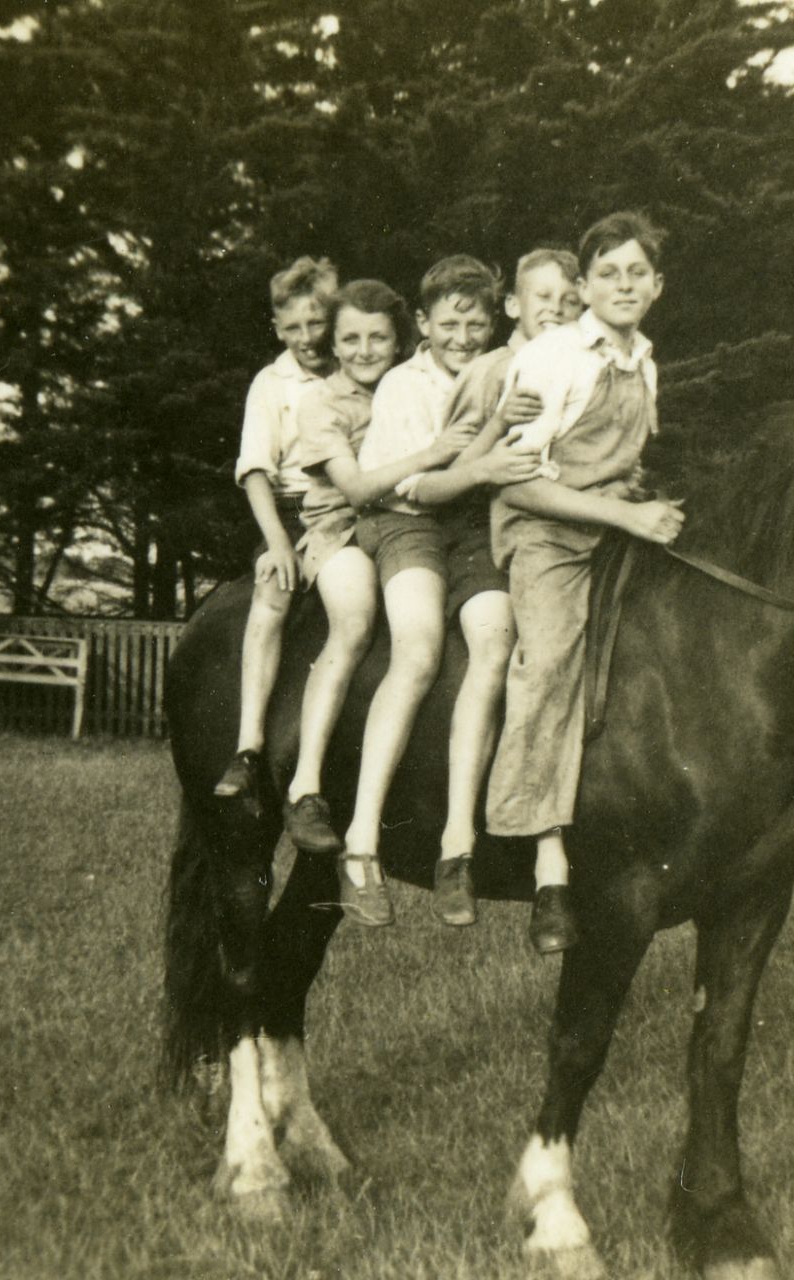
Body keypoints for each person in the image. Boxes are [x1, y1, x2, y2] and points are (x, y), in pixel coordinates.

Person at [486, 213, 686, 954]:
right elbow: (517, 483)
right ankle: (542, 865)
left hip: (614, 520)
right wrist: (623, 517)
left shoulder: (647, 361)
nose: (624, 285)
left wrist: (646, 509)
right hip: (548, 533)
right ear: (584, 286)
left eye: (637, 273)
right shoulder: (553, 356)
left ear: (657, 287)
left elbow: (627, 466)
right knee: (549, 662)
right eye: (608, 273)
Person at [312, 255, 505, 926]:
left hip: (474, 529)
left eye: (475, 323)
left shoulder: (504, 369)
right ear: (423, 324)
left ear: (492, 322)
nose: (463, 336)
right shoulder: (401, 383)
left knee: (494, 643)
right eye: (449, 323)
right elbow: (405, 486)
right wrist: (474, 453)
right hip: (405, 523)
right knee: (418, 648)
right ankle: (362, 843)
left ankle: (457, 844)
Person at [407, 247, 584, 927]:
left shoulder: (582, 363)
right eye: (546, 301)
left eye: (571, 303)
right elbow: (438, 480)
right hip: (483, 536)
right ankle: (461, 838)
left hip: (563, 528)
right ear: (513, 306)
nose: (560, 313)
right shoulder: (496, 370)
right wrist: (493, 459)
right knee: (503, 646)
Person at [276, 278, 467, 881]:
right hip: (341, 526)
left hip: (403, 522)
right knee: (354, 621)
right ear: (332, 343)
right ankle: (307, 784)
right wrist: (434, 453)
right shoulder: (320, 404)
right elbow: (355, 488)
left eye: (378, 338)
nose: (364, 350)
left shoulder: (408, 384)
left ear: (399, 338)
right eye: (350, 339)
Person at [212, 256, 338, 803]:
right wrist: (281, 544)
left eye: (316, 323)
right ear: (277, 327)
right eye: (293, 327)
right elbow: (256, 472)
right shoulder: (271, 383)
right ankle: (249, 746)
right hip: (286, 507)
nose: (307, 338)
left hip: (345, 502)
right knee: (273, 592)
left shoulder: (353, 367)